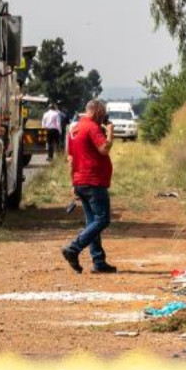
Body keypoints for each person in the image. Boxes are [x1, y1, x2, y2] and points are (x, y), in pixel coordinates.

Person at [62, 99, 117, 274]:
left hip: (80, 181)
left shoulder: (74, 129)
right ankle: (73, 248)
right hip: (94, 182)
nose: (104, 117)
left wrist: (73, 183)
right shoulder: (92, 127)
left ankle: (98, 261)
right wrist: (110, 133)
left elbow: (70, 159)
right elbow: (104, 149)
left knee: (92, 222)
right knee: (102, 219)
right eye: (103, 113)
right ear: (96, 111)